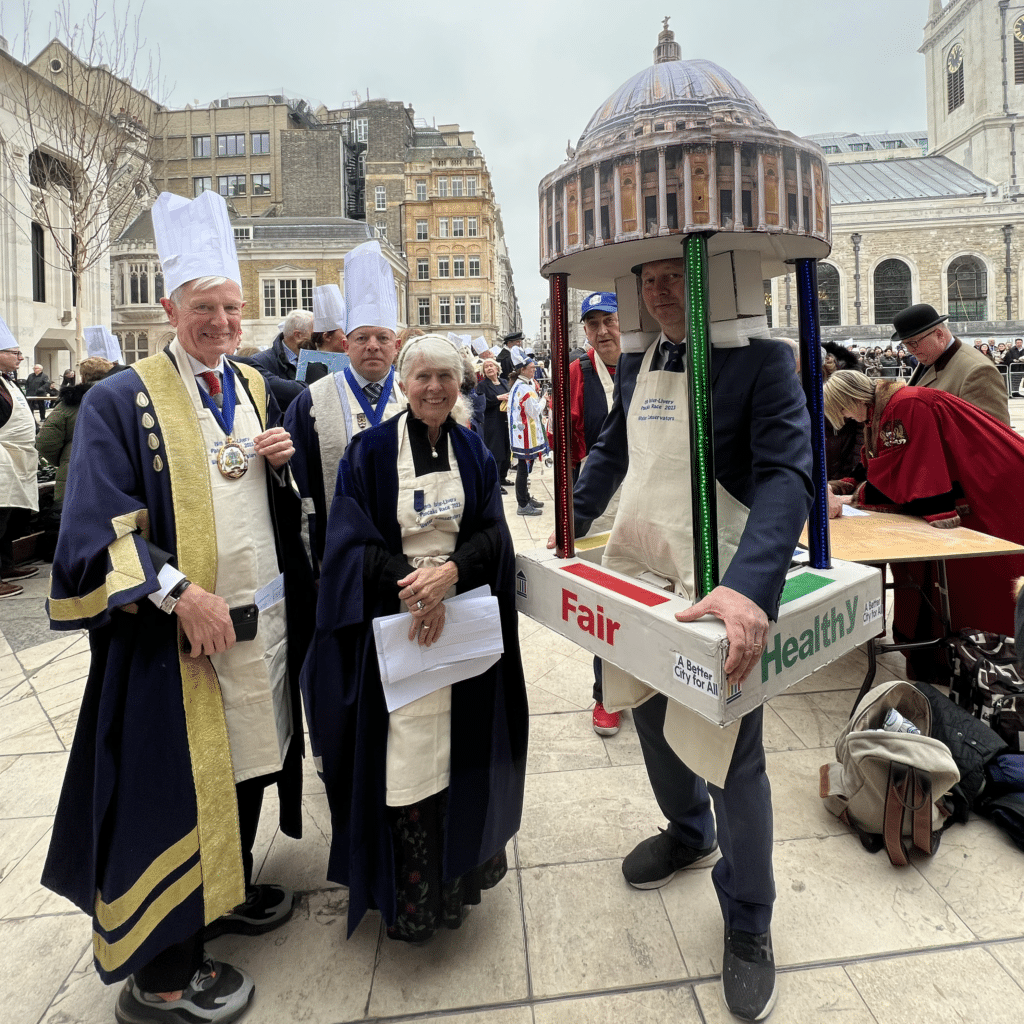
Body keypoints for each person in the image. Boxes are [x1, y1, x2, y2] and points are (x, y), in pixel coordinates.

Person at [40, 190, 314, 1024]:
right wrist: (176, 593)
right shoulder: (121, 401)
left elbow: (270, 504)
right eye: (205, 309)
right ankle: (161, 977)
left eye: (233, 307)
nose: (223, 322)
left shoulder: (260, 388)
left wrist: (282, 468)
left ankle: (220, 895)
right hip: (177, 642)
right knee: (172, 790)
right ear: (170, 310)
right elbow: (91, 530)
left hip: (258, 627)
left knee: (249, 764)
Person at [567, 257, 813, 1021]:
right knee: (643, 709)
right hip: (645, 568)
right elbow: (614, 449)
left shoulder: (765, 362)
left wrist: (748, 587)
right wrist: (566, 520)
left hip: (721, 583)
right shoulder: (642, 358)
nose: (661, 292)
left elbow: (786, 478)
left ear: (718, 280)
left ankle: (748, 919)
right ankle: (686, 829)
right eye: (650, 280)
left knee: (733, 754)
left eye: (677, 276)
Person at [300, 332, 528, 942]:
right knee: (403, 764)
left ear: (461, 386)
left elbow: (494, 537)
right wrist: (414, 584)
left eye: (445, 378)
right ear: (403, 384)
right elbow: (349, 542)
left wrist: (450, 573)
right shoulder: (368, 453)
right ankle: (413, 902)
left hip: (460, 625)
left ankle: (455, 886)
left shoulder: (476, 453)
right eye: (422, 376)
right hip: (397, 626)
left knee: (461, 754)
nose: (433, 388)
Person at [824, 368, 1024, 660]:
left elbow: (915, 473)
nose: (845, 417)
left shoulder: (905, 406)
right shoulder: (879, 411)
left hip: (991, 480)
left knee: (989, 573)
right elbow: (877, 464)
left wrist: (854, 496)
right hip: (979, 477)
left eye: (842, 409)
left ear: (852, 397)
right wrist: (843, 486)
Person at [286, 247, 407, 571]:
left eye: (382, 337)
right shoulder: (311, 403)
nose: (372, 345)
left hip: (407, 554)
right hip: (339, 559)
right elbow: (299, 489)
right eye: (362, 337)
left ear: (396, 346)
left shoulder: (416, 397)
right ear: (345, 345)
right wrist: (313, 563)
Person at [568, 291, 624, 736]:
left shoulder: (651, 359)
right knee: (608, 594)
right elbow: (568, 439)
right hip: (600, 497)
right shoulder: (578, 372)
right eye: (593, 325)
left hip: (656, 485)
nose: (602, 332)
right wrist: (572, 511)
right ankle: (606, 694)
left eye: (609, 321)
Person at [894, 303, 1010, 424]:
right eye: (905, 344)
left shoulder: (979, 371)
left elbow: (992, 434)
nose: (910, 350)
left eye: (913, 343)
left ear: (939, 335)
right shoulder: (931, 356)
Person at [34, 356, 113, 504]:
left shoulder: (69, 404)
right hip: (117, 473)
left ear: (83, 377)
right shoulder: (125, 399)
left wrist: (65, 459)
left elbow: (45, 442)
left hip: (75, 473)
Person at [0, 319, 40, 598]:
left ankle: (5, 566)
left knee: (8, 519)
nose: (21, 357)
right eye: (14, 352)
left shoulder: (7, 381)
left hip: (15, 460)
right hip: (2, 459)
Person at [242, 308, 313, 411]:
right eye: (314, 335)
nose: (318, 340)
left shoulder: (315, 360)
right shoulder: (259, 363)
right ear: (298, 335)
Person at [507, 355, 548, 516]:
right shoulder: (524, 388)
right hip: (524, 436)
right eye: (531, 368)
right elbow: (534, 411)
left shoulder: (520, 384)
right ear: (522, 370)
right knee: (523, 470)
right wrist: (544, 400)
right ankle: (522, 504)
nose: (534, 371)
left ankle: (525, 497)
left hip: (521, 434)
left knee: (525, 469)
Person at [475, 358, 512, 487]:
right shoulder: (482, 385)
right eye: (486, 367)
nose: (489, 368)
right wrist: (497, 398)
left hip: (506, 421)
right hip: (493, 422)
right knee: (496, 451)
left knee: (507, 449)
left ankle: (503, 478)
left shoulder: (504, 382)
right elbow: (481, 403)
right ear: (483, 371)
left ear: (497, 368)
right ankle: (494, 482)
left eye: (491, 366)